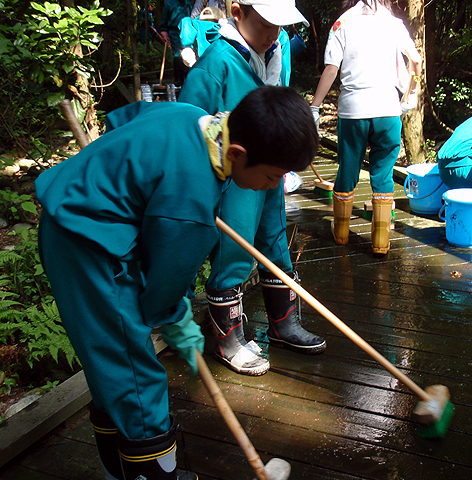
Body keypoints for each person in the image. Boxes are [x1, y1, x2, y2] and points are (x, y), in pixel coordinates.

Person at [35, 86, 318, 480]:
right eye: (272, 176)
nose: (274, 187)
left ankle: (120, 470)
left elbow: (124, 120)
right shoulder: (190, 209)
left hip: (74, 218)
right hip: (89, 246)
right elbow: (161, 293)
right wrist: (175, 315)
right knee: (133, 366)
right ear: (237, 154)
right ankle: (154, 473)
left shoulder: (191, 117)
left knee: (109, 365)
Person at [178, 0, 326, 377]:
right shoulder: (216, 63)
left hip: (270, 168)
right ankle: (230, 338)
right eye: (265, 25)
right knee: (236, 246)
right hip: (236, 172)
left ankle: (284, 323)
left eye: (280, 27)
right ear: (237, 12)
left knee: (275, 238)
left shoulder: (275, 51)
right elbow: (189, 125)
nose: (274, 35)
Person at [310, 0, 422, 254]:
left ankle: (341, 234)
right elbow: (415, 62)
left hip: (353, 112)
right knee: (382, 173)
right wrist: (410, 94)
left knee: (348, 168)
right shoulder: (395, 24)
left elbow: (331, 69)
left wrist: (315, 107)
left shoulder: (343, 23)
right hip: (387, 110)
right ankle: (381, 242)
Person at [160, 0, 195, 86]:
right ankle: (178, 79)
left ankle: (188, 78)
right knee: (178, 54)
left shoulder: (188, 3)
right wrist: (164, 30)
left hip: (187, 32)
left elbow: (193, 17)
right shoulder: (169, 3)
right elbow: (164, 18)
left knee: (188, 53)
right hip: (174, 31)